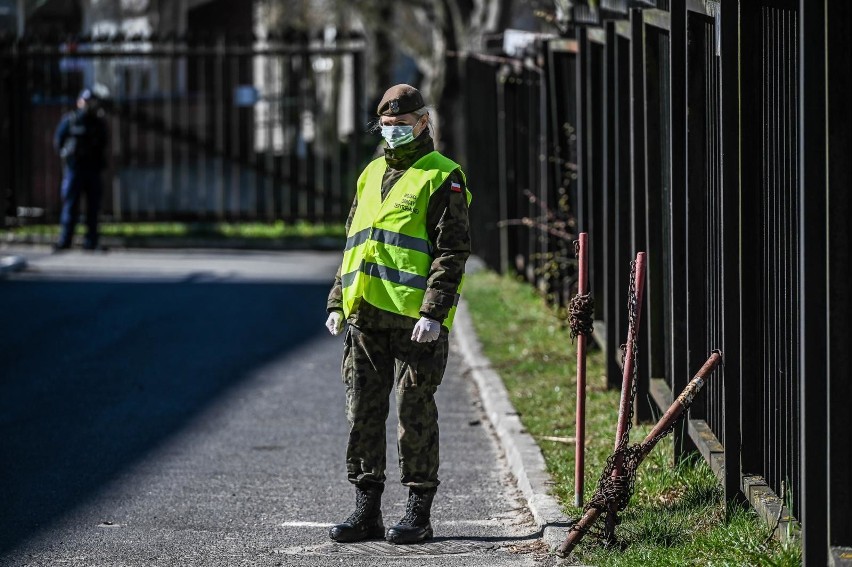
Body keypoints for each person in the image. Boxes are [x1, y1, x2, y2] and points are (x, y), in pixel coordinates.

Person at [325, 84, 471, 545]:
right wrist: (336, 301)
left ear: (423, 123)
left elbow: (452, 251)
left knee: (414, 413)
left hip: (415, 324)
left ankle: (417, 511)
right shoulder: (369, 175)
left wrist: (434, 310)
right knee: (363, 414)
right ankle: (366, 510)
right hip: (364, 317)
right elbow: (355, 244)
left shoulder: (443, 176)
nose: (393, 133)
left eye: (402, 126)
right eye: (386, 127)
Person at [53, 87, 109, 251]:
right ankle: (65, 240)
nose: (89, 105)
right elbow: (59, 140)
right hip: (75, 169)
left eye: (92, 102)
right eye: (86, 101)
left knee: (93, 207)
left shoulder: (98, 123)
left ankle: (91, 241)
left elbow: (104, 142)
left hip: (93, 169)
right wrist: (66, 154)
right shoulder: (71, 120)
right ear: (79, 102)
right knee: (71, 206)